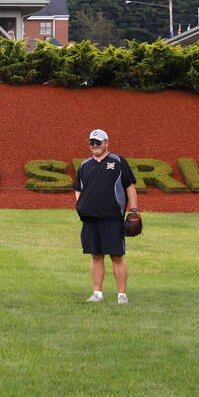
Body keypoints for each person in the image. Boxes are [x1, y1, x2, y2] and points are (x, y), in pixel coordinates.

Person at [74, 128, 138, 304]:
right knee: (96, 255)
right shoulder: (84, 165)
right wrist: (80, 207)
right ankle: (97, 293)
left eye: (98, 142)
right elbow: (78, 189)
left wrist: (133, 210)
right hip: (90, 218)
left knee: (116, 256)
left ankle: (122, 295)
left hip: (112, 218)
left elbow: (130, 186)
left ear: (106, 143)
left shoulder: (118, 162)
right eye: (91, 143)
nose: (94, 145)